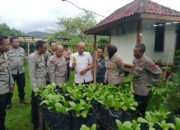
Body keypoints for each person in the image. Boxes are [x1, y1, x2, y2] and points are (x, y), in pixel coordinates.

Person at [132, 43, 162, 117]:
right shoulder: (135, 59)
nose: (134, 53)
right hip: (135, 88)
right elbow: (133, 70)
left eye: (136, 52)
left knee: (141, 109)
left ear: (142, 52)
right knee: (135, 107)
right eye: (134, 51)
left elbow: (158, 72)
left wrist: (151, 83)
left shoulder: (147, 61)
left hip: (142, 90)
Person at [28, 40, 47, 130]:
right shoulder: (32, 57)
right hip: (37, 88)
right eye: (45, 48)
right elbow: (32, 75)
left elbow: (42, 70)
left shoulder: (42, 55)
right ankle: (36, 124)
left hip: (43, 85)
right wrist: (35, 89)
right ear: (39, 48)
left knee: (41, 105)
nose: (46, 49)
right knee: (35, 106)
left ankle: (41, 122)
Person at [6, 37, 26, 109]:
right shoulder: (7, 50)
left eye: (18, 42)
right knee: (10, 88)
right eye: (15, 42)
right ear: (11, 42)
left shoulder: (22, 49)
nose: (17, 43)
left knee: (22, 86)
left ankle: (22, 99)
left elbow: (23, 58)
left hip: (21, 71)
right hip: (11, 72)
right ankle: (8, 102)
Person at [0, 35, 14, 130]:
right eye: (7, 44)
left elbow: (8, 70)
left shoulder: (4, 54)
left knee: (2, 111)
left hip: (5, 88)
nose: (9, 46)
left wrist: (11, 83)